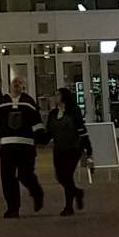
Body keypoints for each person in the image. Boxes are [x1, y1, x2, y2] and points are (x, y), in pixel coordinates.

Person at [0, 73, 46, 218]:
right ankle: (13, 208)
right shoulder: (3, 103)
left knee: (25, 174)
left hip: (26, 147)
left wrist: (41, 137)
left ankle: (36, 192)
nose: (17, 85)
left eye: (19, 83)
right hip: (7, 147)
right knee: (8, 178)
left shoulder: (29, 102)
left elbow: (36, 122)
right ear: (10, 86)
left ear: (23, 87)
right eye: (15, 83)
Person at [46, 88, 89, 217]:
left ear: (64, 97)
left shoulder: (74, 112)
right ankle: (77, 192)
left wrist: (88, 149)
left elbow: (82, 130)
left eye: (57, 95)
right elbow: (49, 133)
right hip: (58, 149)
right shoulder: (53, 114)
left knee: (67, 175)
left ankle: (68, 207)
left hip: (73, 148)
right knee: (60, 176)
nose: (55, 97)